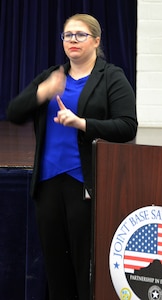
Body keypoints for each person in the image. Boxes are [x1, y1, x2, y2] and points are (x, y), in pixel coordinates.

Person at [7, 13, 137, 300]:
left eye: (80, 35)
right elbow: (14, 112)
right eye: (68, 35)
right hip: (48, 184)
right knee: (55, 268)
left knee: (85, 266)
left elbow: (128, 126)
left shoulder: (111, 77)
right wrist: (44, 91)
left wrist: (83, 123)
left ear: (96, 40)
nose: (73, 40)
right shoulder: (52, 76)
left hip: (85, 184)